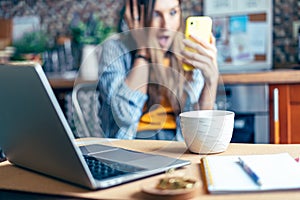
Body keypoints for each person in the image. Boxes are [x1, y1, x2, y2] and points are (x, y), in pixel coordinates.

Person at [97, 0, 219, 140]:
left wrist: (211, 81)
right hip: (131, 144)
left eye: (172, 12)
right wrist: (142, 51)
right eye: (156, 14)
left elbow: (199, 130)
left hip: (178, 144)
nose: (166, 25)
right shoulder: (115, 48)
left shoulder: (188, 52)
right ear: (135, 15)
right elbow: (125, 116)